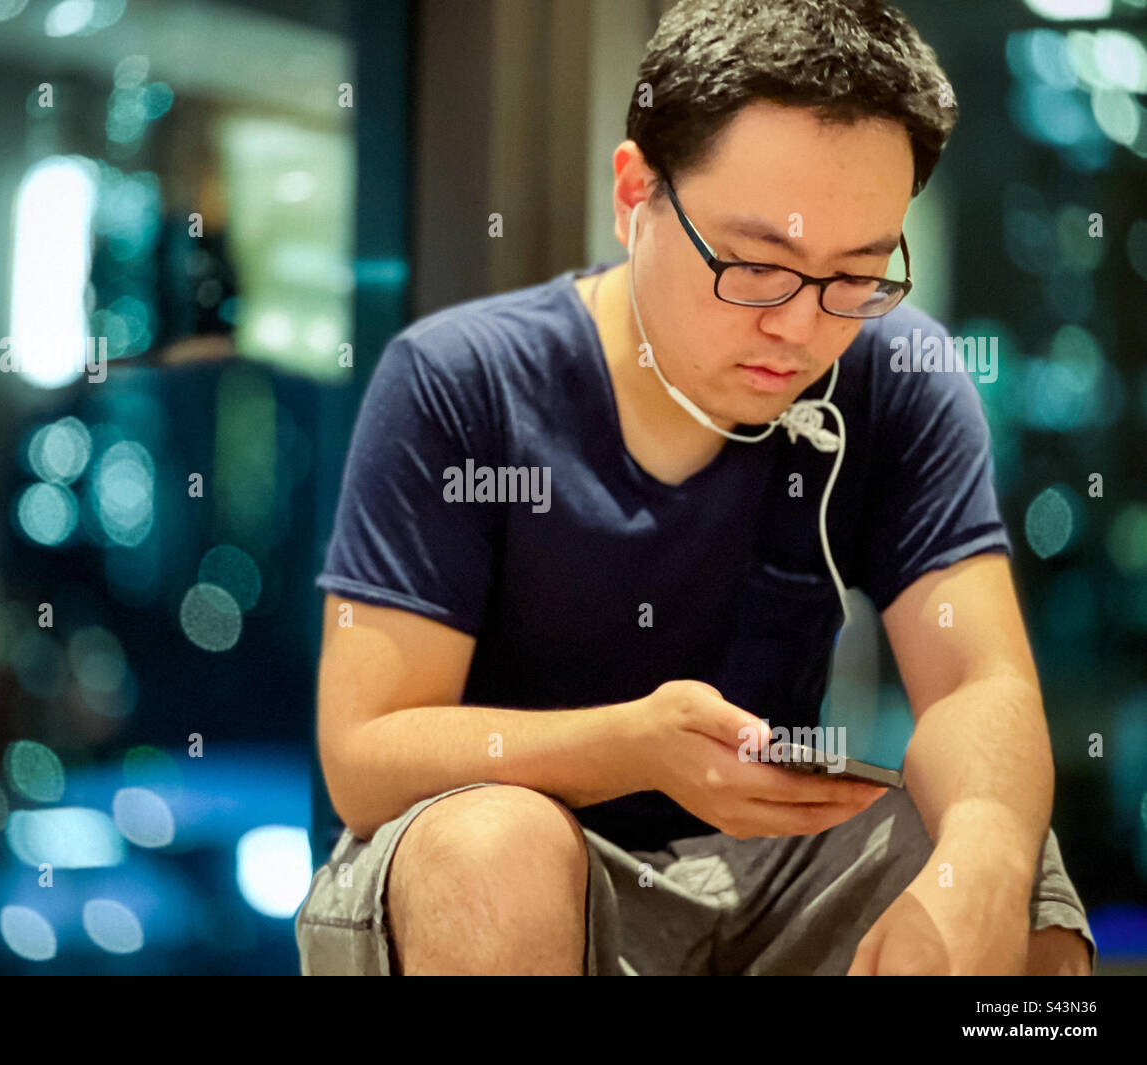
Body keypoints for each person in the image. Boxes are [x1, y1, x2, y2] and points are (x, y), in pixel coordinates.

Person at [294, 0, 1096, 975]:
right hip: (500, 850)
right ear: (634, 191)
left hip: (762, 862)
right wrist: (630, 746)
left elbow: (978, 682)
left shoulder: (897, 377)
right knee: (497, 846)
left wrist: (983, 865)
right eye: (757, 267)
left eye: (856, 275)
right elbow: (363, 755)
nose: (800, 330)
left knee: (1006, 859)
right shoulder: (461, 381)